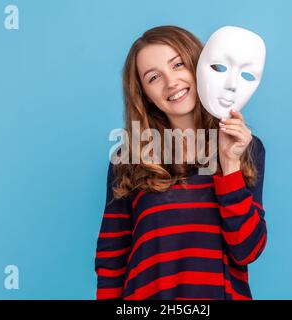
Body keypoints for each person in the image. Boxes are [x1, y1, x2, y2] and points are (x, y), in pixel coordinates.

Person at [95, 25, 267, 300]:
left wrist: (230, 165)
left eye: (178, 65)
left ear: (201, 66)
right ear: (144, 94)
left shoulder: (248, 149)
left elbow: (247, 249)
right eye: (153, 77)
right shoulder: (126, 159)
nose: (171, 82)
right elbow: (111, 261)